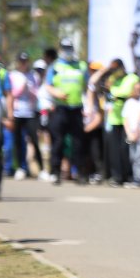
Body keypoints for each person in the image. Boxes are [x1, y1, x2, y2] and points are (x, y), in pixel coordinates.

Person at [44, 38, 88, 185]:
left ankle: (80, 173)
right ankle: (55, 172)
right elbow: (48, 86)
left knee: (78, 142)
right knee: (58, 142)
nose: (67, 51)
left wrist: (88, 106)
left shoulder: (80, 66)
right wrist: (56, 93)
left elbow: (87, 87)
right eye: (65, 49)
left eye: (69, 48)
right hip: (60, 109)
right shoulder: (55, 66)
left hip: (76, 108)